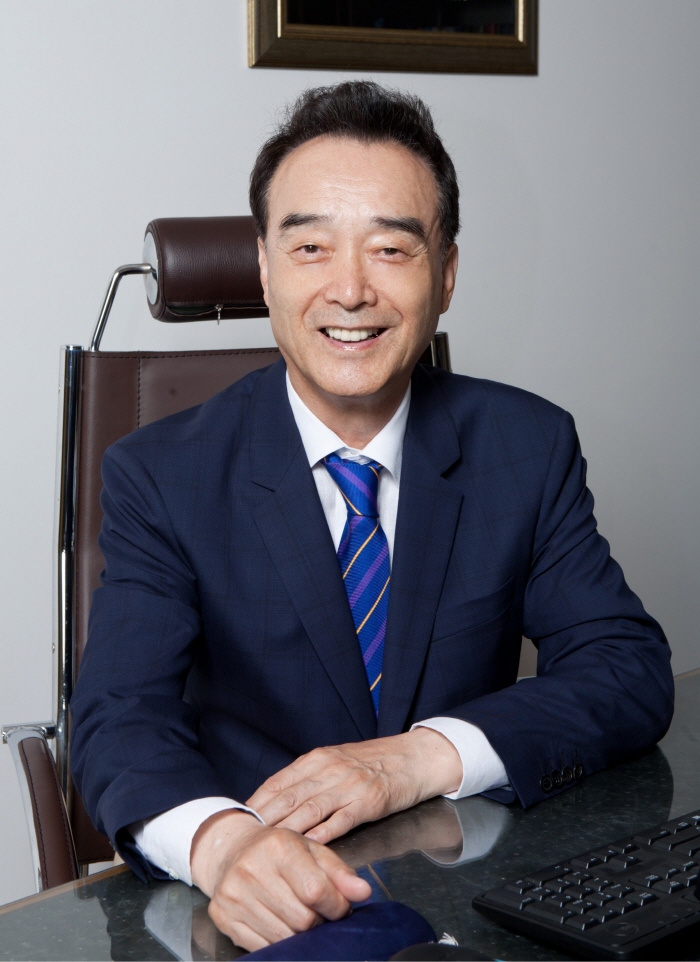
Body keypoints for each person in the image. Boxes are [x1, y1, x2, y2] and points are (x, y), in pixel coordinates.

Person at [71, 81, 674, 952]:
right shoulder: (161, 474)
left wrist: (418, 757)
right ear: (265, 267)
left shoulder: (525, 445)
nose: (349, 290)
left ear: (446, 274)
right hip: (261, 914)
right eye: (311, 247)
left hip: (464, 896)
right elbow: (119, 718)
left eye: (391, 249)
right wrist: (224, 845)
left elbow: (626, 668)